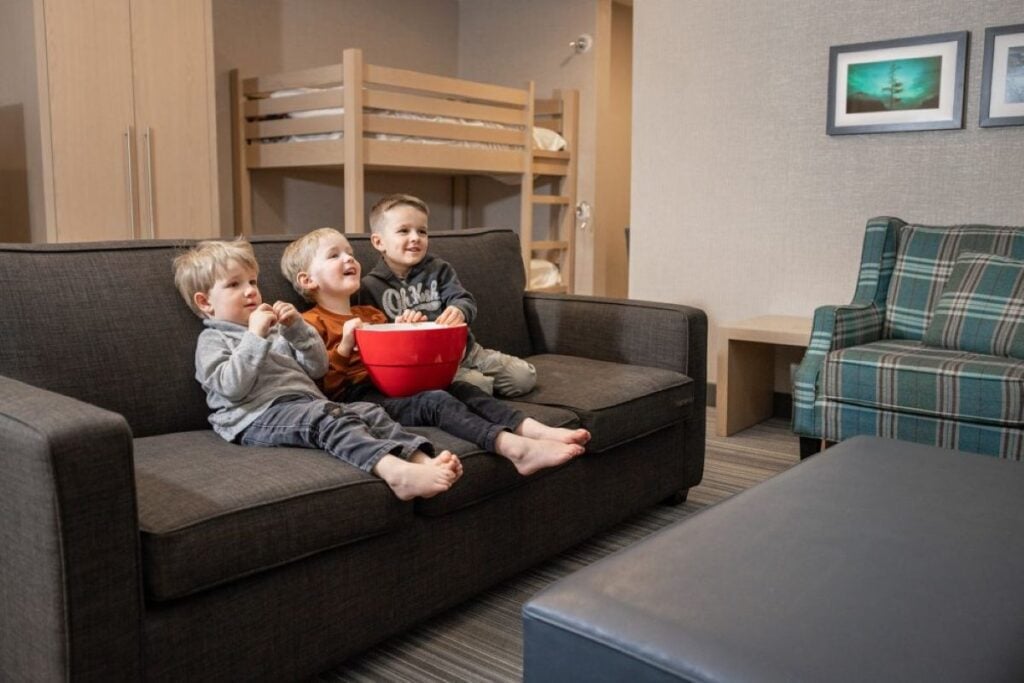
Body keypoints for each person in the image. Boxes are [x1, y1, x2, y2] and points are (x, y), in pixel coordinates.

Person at [281, 227, 590, 476]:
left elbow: (400, 361)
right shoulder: (309, 324)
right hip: (358, 397)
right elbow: (324, 386)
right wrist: (347, 344)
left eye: (349, 251)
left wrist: (405, 328)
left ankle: (534, 430)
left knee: (462, 388)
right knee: (436, 400)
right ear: (308, 281)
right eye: (334, 255)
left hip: (395, 385)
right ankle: (514, 449)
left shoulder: (370, 313)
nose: (349, 258)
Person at [172, 238, 462, 501]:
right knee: (326, 418)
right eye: (234, 285)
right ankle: (395, 473)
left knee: (368, 411)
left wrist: (296, 329)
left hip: (305, 403)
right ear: (205, 302)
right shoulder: (213, 339)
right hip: (253, 416)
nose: (250, 291)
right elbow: (231, 388)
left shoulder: (274, 331)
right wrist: (254, 337)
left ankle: (421, 459)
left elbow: (317, 368)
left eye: (253, 282)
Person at [359, 194, 537, 398]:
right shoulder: (369, 287)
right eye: (403, 231)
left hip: (467, 351)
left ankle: (476, 387)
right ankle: (474, 388)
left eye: (422, 231)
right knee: (478, 386)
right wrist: (399, 327)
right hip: (429, 365)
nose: (415, 237)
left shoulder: (439, 269)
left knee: (524, 376)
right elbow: (373, 337)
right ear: (378, 241)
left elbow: (464, 299)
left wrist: (459, 310)